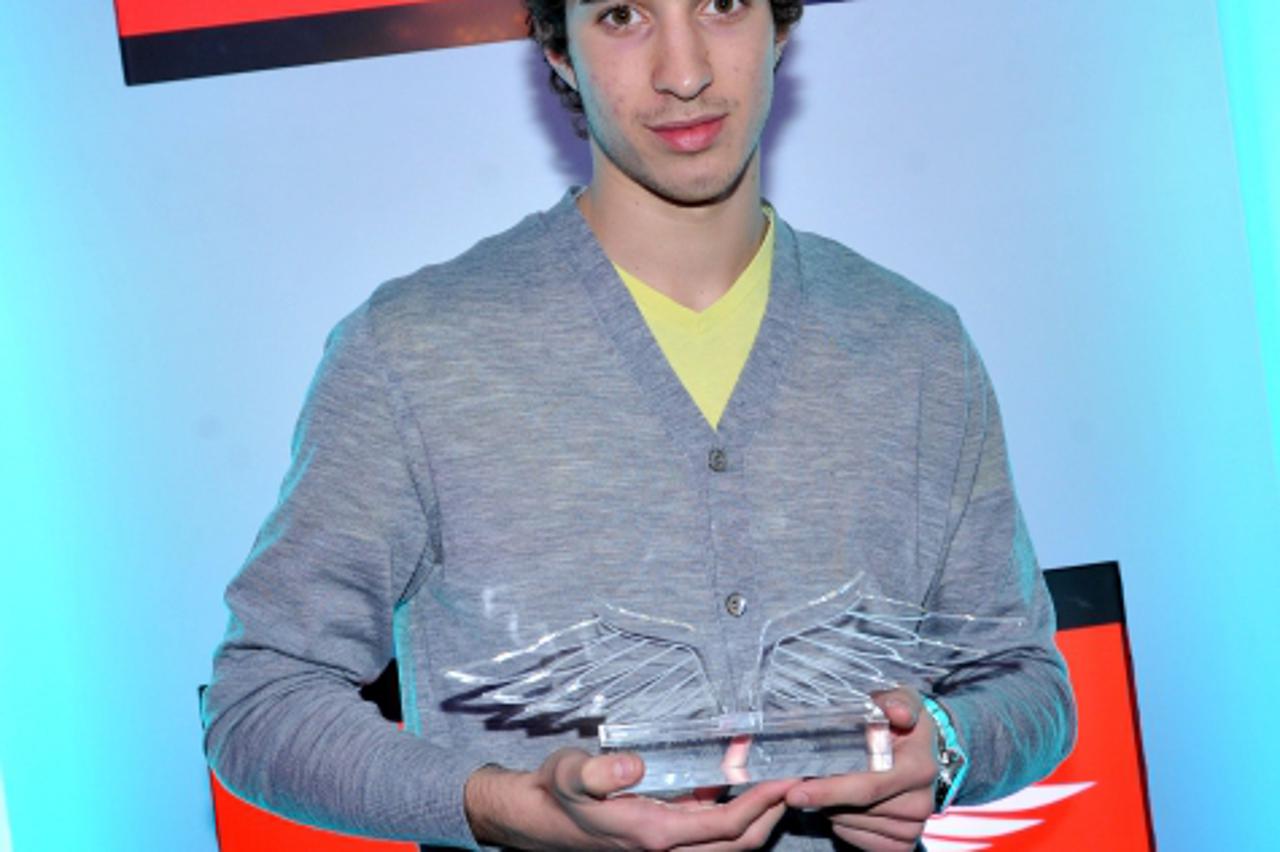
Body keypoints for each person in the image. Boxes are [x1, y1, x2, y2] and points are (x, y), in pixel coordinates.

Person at [202, 1, 1076, 849]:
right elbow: (260, 698)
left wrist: (944, 749)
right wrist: (498, 807)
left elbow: (1024, 680)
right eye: (623, 15)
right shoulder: (413, 349)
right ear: (558, 47)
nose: (684, 73)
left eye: (722, 4)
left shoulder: (916, 345)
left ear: (779, 25)